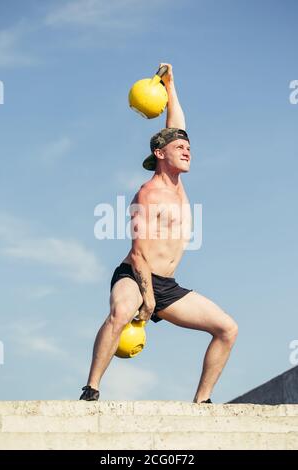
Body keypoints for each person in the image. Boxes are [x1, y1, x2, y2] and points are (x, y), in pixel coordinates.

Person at [80, 63, 238, 403]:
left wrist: (170, 85)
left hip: (167, 285)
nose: (187, 150)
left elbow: (177, 128)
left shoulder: (178, 182)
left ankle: (202, 402)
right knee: (122, 313)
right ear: (159, 154)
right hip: (135, 276)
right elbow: (138, 253)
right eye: (180, 148)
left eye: (189, 147)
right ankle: (91, 390)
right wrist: (147, 298)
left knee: (227, 329)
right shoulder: (148, 194)